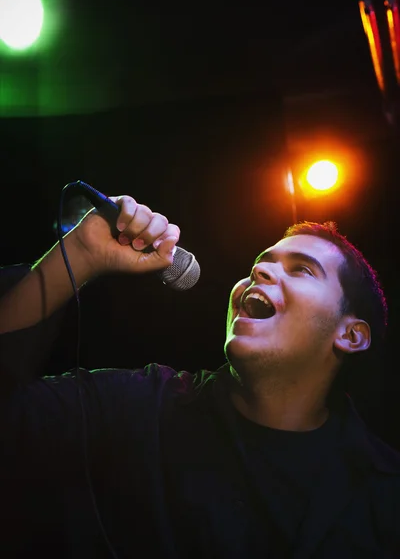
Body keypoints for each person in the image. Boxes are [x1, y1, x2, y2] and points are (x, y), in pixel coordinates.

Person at [0, 194, 399, 559]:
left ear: (350, 335)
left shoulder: (382, 493)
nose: (259, 270)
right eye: (261, 262)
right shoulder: (139, 407)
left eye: (303, 270)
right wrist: (79, 255)